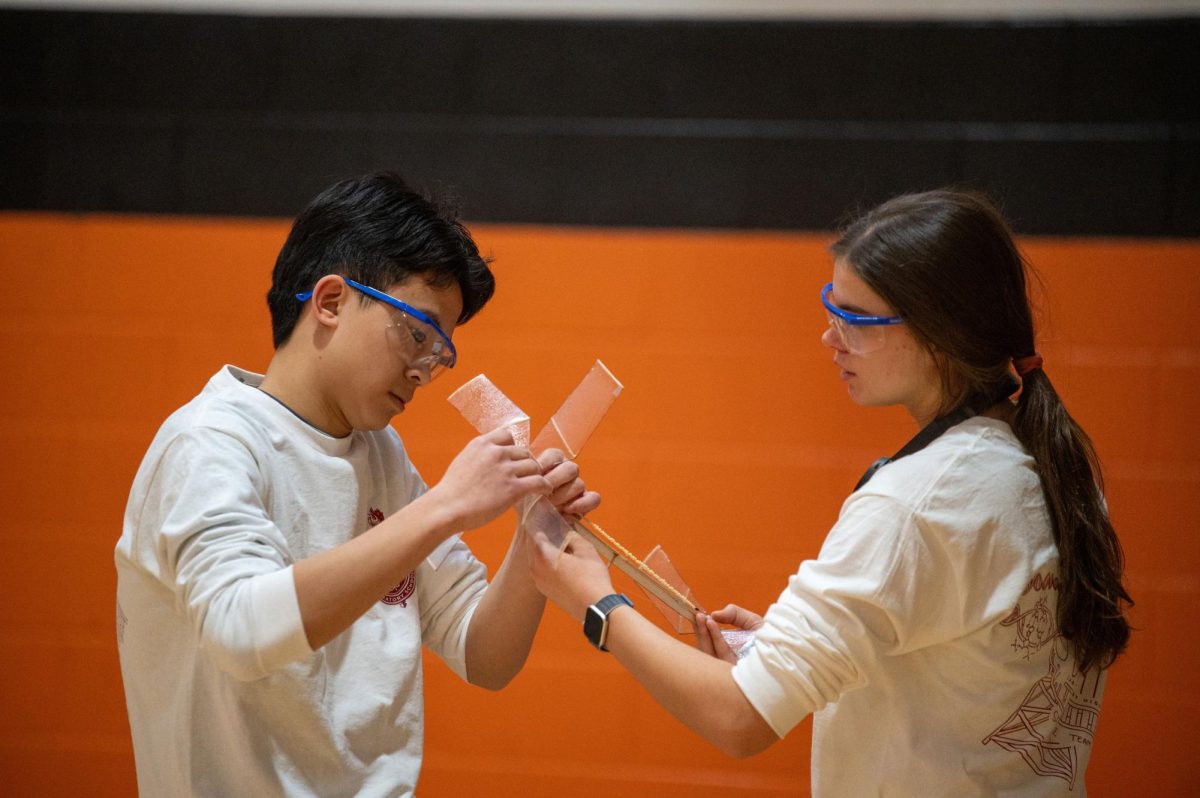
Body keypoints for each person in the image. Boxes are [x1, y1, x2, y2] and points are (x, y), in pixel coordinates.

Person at [529, 188, 1132, 796]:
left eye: (858, 320)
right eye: (831, 307)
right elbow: (965, 667)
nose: (830, 337)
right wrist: (799, 648)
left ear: (939, 334)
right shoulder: (1047, 465)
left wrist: (598, 604)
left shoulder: (914, 504)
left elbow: (739, 720)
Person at [114, 172, 599, 796]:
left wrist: (535, 534)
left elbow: (484, 655)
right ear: (332, 301)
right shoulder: (210, 441)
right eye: (417, 332)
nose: (425, 369)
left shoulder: (382, 457)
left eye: (441, 350)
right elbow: (241, 629)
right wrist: (447, 507)